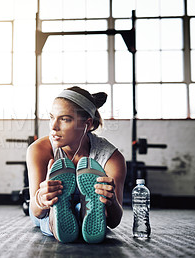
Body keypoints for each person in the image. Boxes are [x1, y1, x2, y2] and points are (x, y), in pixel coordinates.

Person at [26, 86, 126, 244]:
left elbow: (114, 221)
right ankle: (56, 219)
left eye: (64, 119)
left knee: (93, 214)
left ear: (87, 124)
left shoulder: (111, 157)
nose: (53, 126)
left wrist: (111, 201)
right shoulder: (39, 150)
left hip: (89, 209)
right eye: (52, 117)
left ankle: (79, 214)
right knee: (43, 216)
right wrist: (41, 198)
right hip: (45, 210)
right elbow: (37, 211)